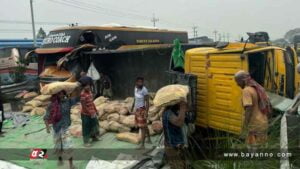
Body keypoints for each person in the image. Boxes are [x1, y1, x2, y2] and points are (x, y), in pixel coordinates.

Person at [234, 70, 271, 150]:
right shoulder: (259, 88)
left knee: (253, 151)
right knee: (262, 148)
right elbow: (268, 103)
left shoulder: (246, 90)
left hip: (254, 125)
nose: (237, 84)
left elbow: (249, 108)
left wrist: (245, 126)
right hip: (263, 123)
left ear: (243, 80)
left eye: (237, 82)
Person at [44, 90, 78, 169]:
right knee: (58, 145)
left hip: (65, 128)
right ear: (55, 94)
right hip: (56, 128)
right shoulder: (51, 105)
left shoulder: (68, 102)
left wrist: (78, 87)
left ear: (64, 93)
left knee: (68, 146)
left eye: (61, 93)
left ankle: (71, 165)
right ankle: (60, 159)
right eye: (58, 93)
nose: (60, 95)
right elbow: (46, 117)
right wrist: (47, 127)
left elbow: (77, 98)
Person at [163, 101, 188, 169]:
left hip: (178, 145)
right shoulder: (168, 113)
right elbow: (179, 122)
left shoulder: (175, 111)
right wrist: (182, 108)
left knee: (182, 166)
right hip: (172, 147)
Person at [133, 77, 151, 149]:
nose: (141, 83)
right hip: (137, 110)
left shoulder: (144, 90)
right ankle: (149, 139)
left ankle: (142, 145)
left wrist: (146, 112)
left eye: (142, 82)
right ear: (136, 82)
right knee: (144, 126)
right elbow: (135, 98)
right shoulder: (135, 88)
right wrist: (132, 108)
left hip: (142, 110)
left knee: (142, 127)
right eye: (139, 82)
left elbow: (147, 102)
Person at [80, 81, 100, 147]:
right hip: (86, 114)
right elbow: (84, 106)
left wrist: (96, 110)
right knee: (86, 128)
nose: (88, 87)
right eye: (86, 86)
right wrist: (89, 113)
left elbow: (92, 102)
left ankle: (94, 137)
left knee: (95, 125)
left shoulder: (90, 92)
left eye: (88, 85)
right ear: (83, 87)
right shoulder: (82, 94)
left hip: (92, 112)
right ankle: (86, 142)